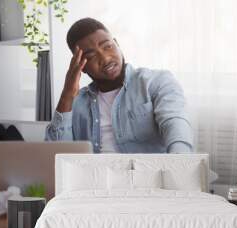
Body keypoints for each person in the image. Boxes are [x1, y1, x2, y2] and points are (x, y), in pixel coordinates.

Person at [45, 17, 193, 153]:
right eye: (91, 56)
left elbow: (176, 125)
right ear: (81, 66)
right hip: (95, 179)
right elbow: (56, 155)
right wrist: (67, 94)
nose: (105, 58)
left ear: (117, 44)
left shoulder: (156, 81)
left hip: (145, 177)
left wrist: (179, 163)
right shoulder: (77, 102)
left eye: (107, 46)